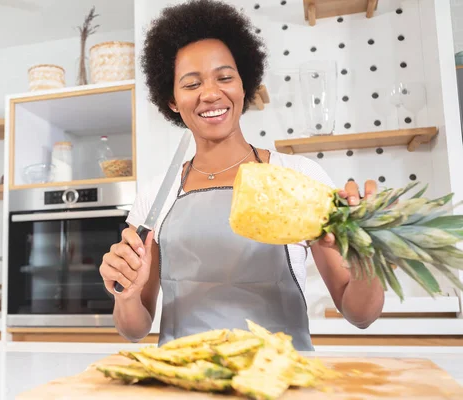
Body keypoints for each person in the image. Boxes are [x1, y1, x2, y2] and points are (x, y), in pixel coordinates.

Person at [99, 0, 385, 351]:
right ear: (171, 100)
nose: (210, 94)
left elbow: (360, 314)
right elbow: (134, 329)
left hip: (281, 381)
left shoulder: (299, 176)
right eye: (190, 84)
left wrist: (366, 257)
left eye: (225, 77)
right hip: (185, 383)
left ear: (243, 84)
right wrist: (126, 296)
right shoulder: (156, 194)